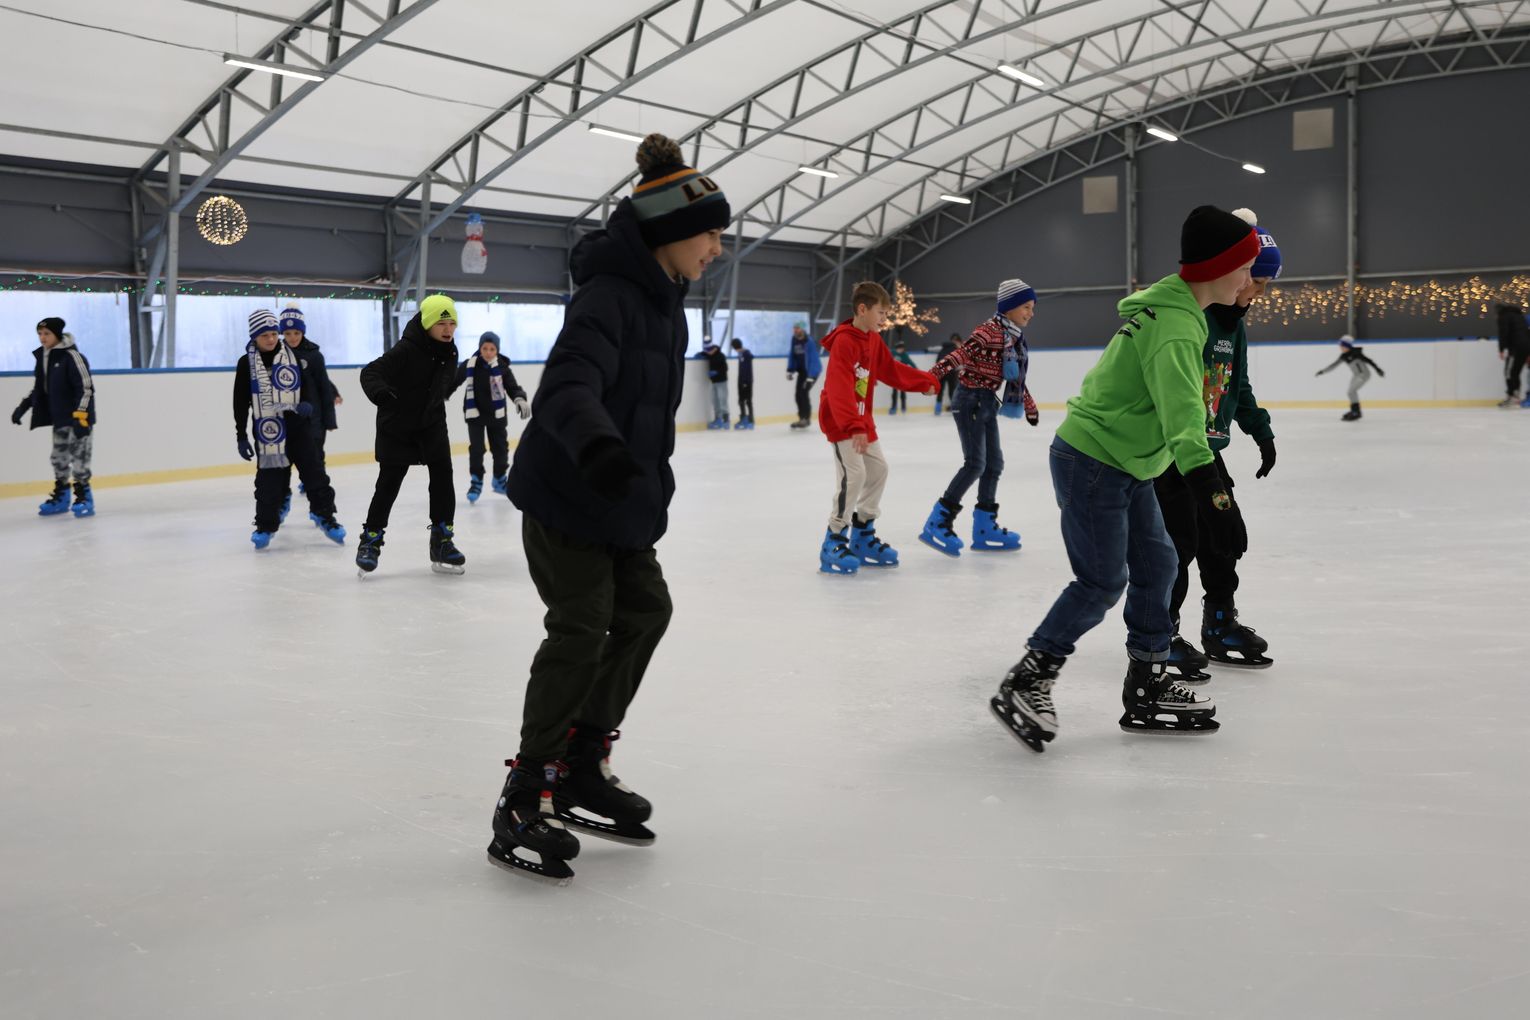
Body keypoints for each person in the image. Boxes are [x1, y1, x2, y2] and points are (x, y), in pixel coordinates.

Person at [493, 133, 728, 884]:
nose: (717, 248)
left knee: (646, 611)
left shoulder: (667, 301)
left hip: (621, 500)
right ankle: (525, 793)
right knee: (581, 625)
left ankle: (582, 763)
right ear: (668, 233)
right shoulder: (609, 297)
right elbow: (568, 385)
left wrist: (639, 480)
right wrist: (599, 449)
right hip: (569, 493)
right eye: (709, 234)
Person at [989, 205, 1260, 752]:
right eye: (1245, 267)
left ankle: (1148, 680)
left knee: (1159, 563)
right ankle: (1029, 678)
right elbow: (1184, 420)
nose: (1249, 279)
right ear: (1218, 267)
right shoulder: (1177, 327)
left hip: (1128, 462)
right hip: (1094, 460)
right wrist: (1216, 498)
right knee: (1101, 581)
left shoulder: (1182, 307)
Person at [1154, 209, 1280, 680]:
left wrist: (1261, 431)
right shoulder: (1194, 318)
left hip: (1209, 452)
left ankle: (1220, 622)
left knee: (1223, 538)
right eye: (1255, 280)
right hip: (1172, 453)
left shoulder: (1235, 326)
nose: (1258, 292)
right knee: (1178, 544)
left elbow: (1238, 385)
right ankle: (1161, 633)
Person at [816, 281, 938, 575]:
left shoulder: (872, 339)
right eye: (881, 313)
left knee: (879, 470)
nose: (884, 319)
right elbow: (839, 387)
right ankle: (834, 539)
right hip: (842, 421)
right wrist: (853, 425)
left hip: (861, 420)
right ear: (863, 309)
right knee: (854, 475)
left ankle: (863, 534)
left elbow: (891, 370)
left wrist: (925, 382)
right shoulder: (844, 342)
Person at [919, 279, 1039, 557]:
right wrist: (932, 377)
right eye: (1026, 306)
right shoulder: (989, 331)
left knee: (994, 464)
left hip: (986, 402)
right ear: (1009, 306)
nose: (1031, 313)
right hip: (969, 400)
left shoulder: (1012, 337)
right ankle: (938, 522)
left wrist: (1029, 404)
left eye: (1033, 308)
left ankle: (984, 527)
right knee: (975, 464)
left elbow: (1015, 379)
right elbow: (960, 354)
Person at [355, 294, 464, 575]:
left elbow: (442, 385)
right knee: (388, 483)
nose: (448, 329)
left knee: (443, 477)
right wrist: (382, 393)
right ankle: (370, 541)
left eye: (452, 323)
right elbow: (370, 372)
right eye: (442, 323)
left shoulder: (450, 352)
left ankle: (442, 541)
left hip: (431, 424)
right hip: (398, 426)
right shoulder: (406, 349)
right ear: (427, 323)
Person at [234, 310, 345, 549]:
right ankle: (265, 525)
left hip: (298, 429)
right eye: (265, 335)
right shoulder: (246, 364)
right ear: (254, 337)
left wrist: (306, 404)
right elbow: (240, 402)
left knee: (315, 474)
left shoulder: (291, 356)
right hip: (268, 432)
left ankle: (326, 516)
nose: (271, 339)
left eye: (274, 334)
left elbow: (307, 387)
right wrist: (241, 435)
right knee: (269, 482)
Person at [11, 317, 96, 518]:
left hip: (79, 418)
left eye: (46, 334)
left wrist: (81, 416)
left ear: (57, 334)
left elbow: (85, 388)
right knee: (58, 459)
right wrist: (24, 406)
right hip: (59, 419)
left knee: (80, 459)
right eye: (40, 334)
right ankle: (62, 497)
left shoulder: (72, 356)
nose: (42, 338)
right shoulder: (45, 357)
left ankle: (85, 497)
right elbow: (40, 388)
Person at [277, 307, 342, 517]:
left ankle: (318, 500)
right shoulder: (276, 354)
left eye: (296, 333)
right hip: (286, 419)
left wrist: (329, 420)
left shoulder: (314, 356)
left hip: (313, 419)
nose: (292, 337)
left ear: (303, 332)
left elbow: (323, 384)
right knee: (284, 461)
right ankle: (282, 498)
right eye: (287, 333)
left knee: (315, 456)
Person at [451, 331, 528, 503]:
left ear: (497, 350)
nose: (488, 352)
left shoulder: (502, 367)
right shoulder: (470, 365)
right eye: (484, 348)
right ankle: (476, 482)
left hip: (496, 415)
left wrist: (519, 399)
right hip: (475, 414)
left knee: (500, 448)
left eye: (492, 349)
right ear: (480, 348)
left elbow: (512, 387)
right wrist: (440, 395)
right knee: (477, 449)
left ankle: (499, 479)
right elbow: (453, 381)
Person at [1315, 335, 1385, 420]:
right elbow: (1334, 365)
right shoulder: (1343, 356)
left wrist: (1378, 369)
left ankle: (1356, 412)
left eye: (1342, 346)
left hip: (1364, 375)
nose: (1340, 348)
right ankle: (1355, 411)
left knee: (1351, 392)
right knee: (1351, 392)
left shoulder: (1356, 353)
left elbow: (1369, 361)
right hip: (1356, 375)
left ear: (1347, 346)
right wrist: (1323, 371)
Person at [786, 321, 821, 429]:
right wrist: (790, 370)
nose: (795, 330)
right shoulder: (794, 340)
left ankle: (806, 419)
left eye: (797, 328)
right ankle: (802, 418)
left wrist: (811, 376)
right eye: (794, 328)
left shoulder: (809, 341)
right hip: (802, 371)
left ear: (802, 329)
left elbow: (813, 359)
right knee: (797, 395)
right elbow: (792, 355)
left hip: (812, 371)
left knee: (804, 393)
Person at [1495, 302, 1529, 408]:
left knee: (1509, 372)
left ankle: (1512, 396)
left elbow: (1503, 333)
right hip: (1526, 347)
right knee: (1515, 372)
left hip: (1515, 348)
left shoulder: (1504, 317)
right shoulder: (1519, 316)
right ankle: (1515, 396)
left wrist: (1501, 349)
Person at [886, 338, 918, 414]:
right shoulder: (892, 353)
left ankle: (903, 407)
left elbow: (911, 363)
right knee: (894, 392)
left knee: (903, 391)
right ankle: (893, 407)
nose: (901, 350)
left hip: (902, 376)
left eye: (902, 348)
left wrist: (916, 370)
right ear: (897, 348)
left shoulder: (905, 355)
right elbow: (886, 359)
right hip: (894, 376)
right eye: (900, 348)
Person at [931, 332, 960, 415]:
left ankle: (937, 409)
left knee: (940, 390)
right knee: (952, 391)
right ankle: (954, 409)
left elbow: (937, 361)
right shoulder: (955, 349)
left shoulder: (942, 348)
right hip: (951, 372)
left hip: (941, 372)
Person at [702, 340, 729, 429]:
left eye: (709, 351)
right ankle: (718, 418)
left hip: (722, 381)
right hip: (714, 382)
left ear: (714, 349)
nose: (708, 353)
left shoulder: (720, 356)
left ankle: (726, 420)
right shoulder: (711, 355)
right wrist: (699, 355)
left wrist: (716, 372)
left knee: (722, 400)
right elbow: (704, 353)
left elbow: (725, 368)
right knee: (715, 400)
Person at [730, 337, 755, 429]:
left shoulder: (746, 354)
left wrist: (745, 381)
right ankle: (744, 418)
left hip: (747, 381)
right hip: (741, 380)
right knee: (741, 400)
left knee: (748, 400)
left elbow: (746, 369)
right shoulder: (741, 354)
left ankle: (750, 420)